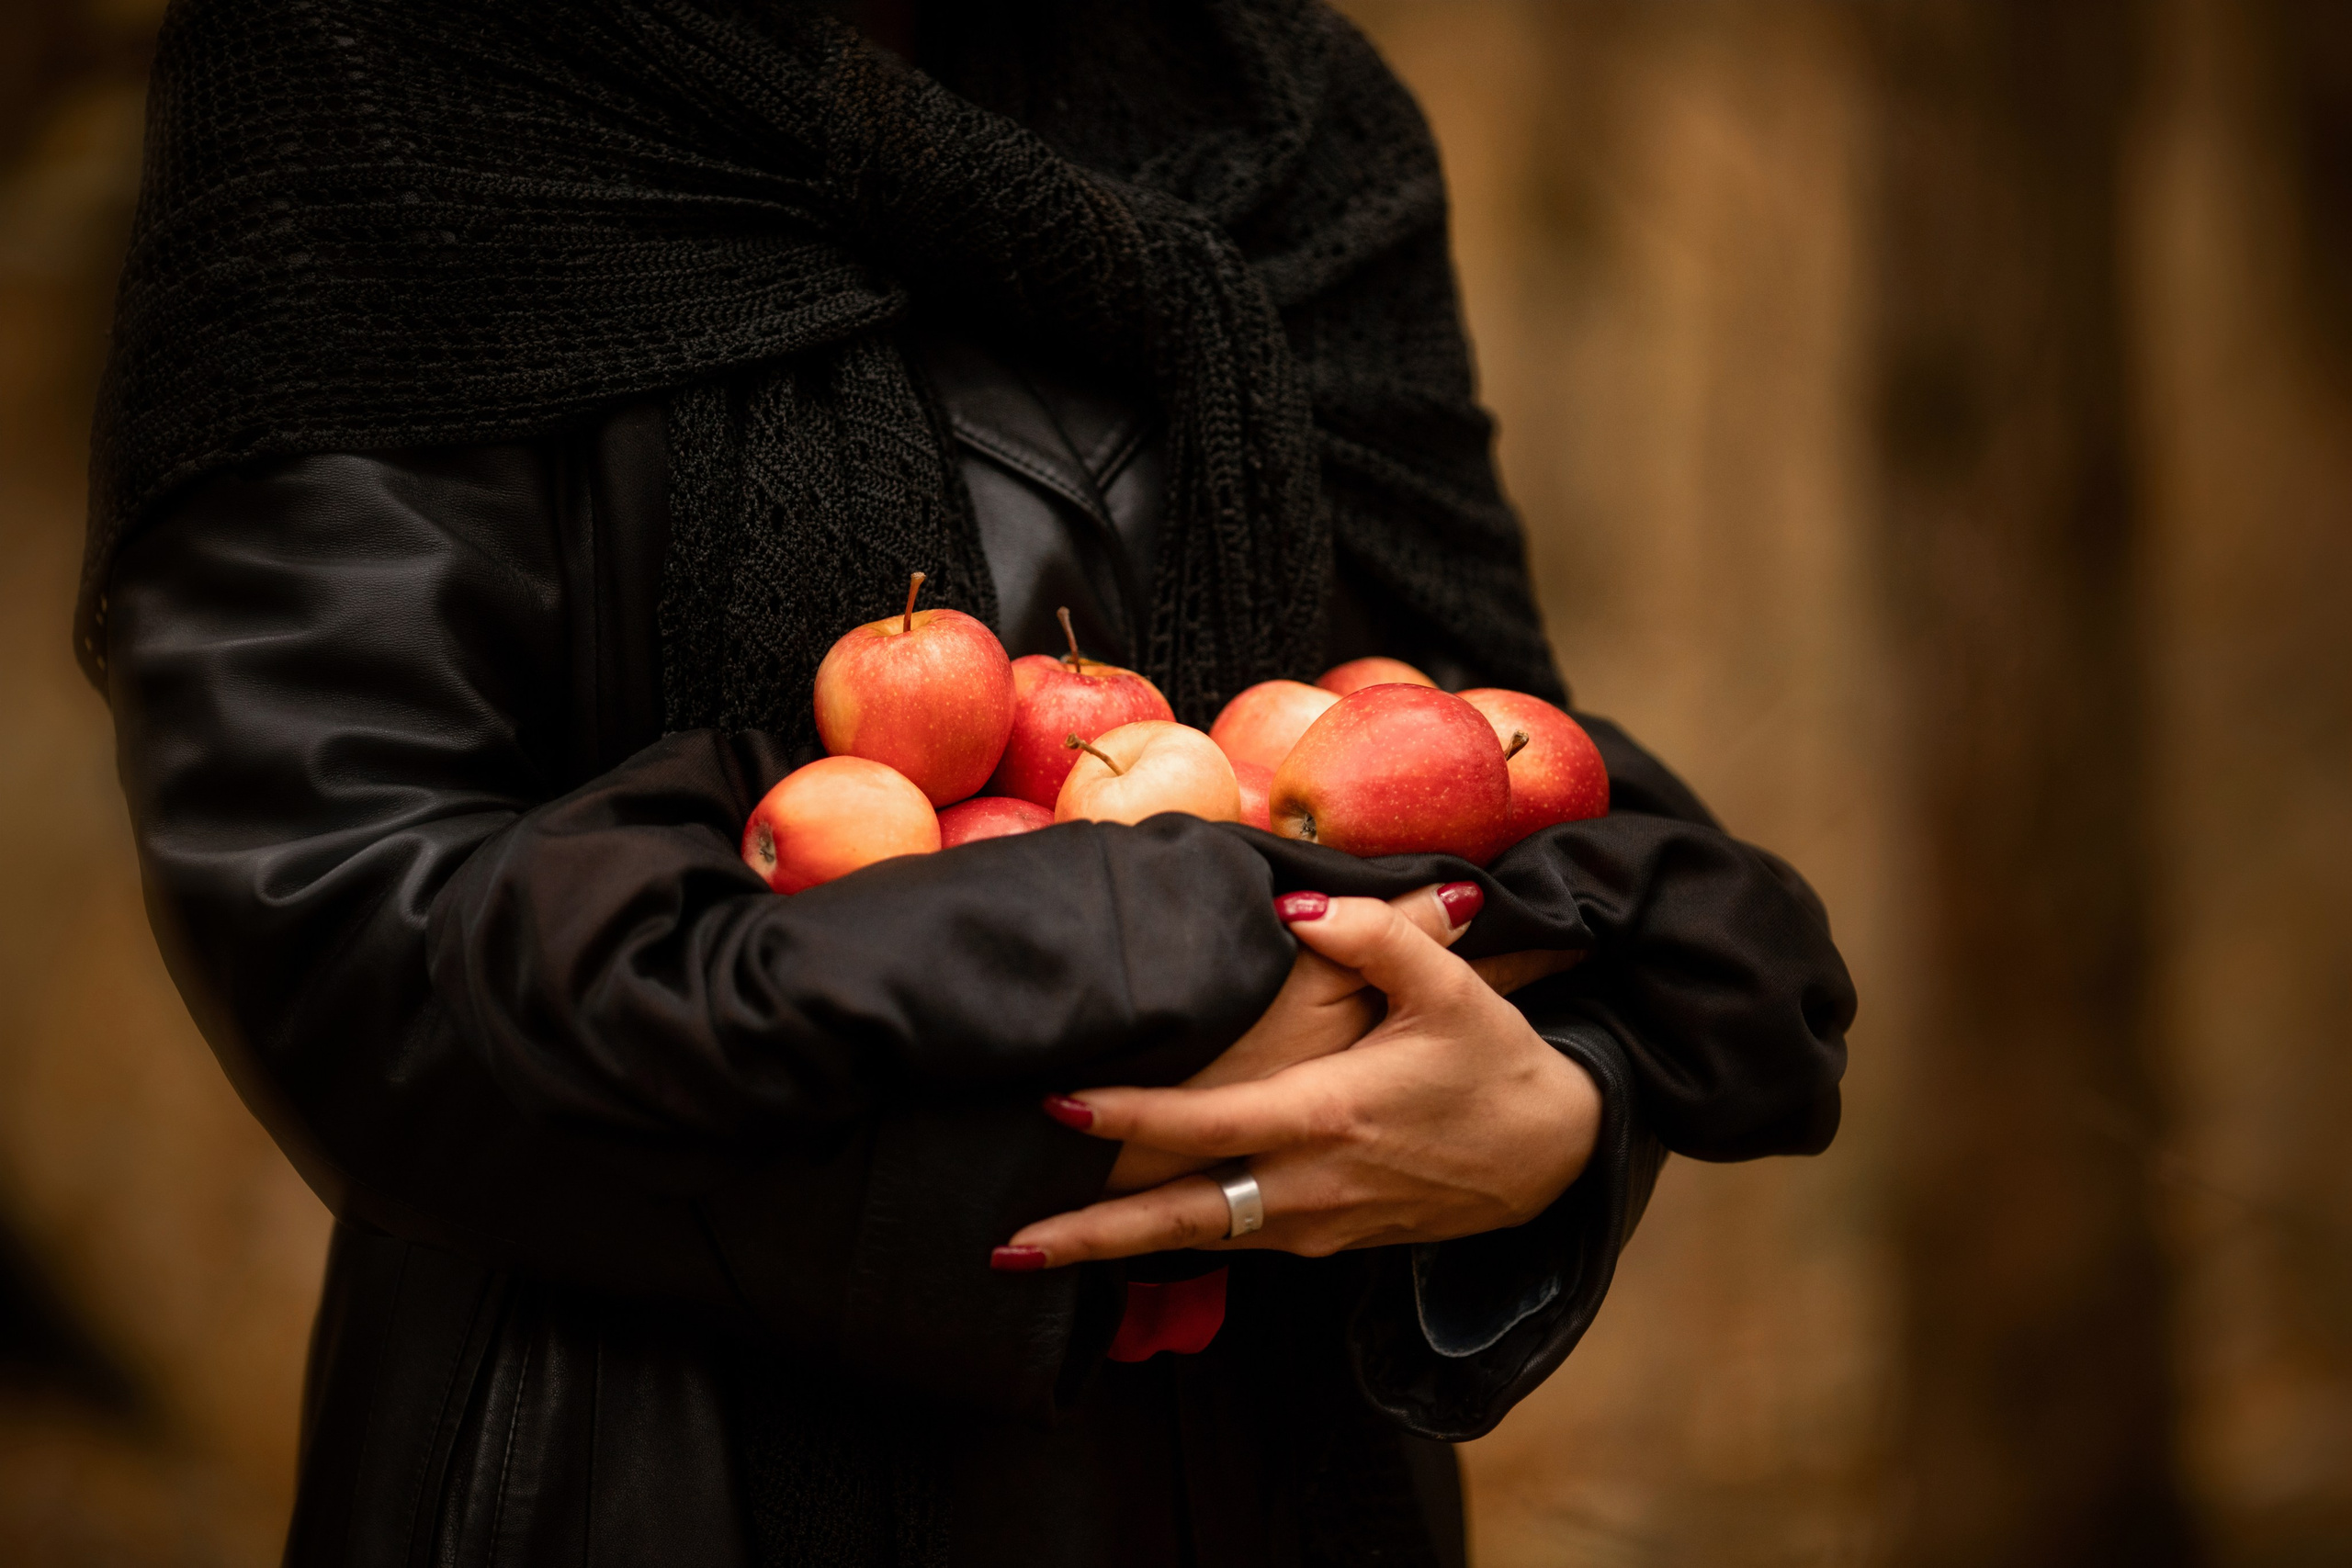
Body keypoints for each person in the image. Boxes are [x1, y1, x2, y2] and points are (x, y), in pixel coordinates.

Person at [83, 2, 1855, 1564]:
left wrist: (1566, 1112)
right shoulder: (376, 68)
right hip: (643, 1473)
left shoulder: (1289, 110)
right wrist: (1079, 1088)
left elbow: (1507, 780)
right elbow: (335, 918)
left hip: (1285, 1472)